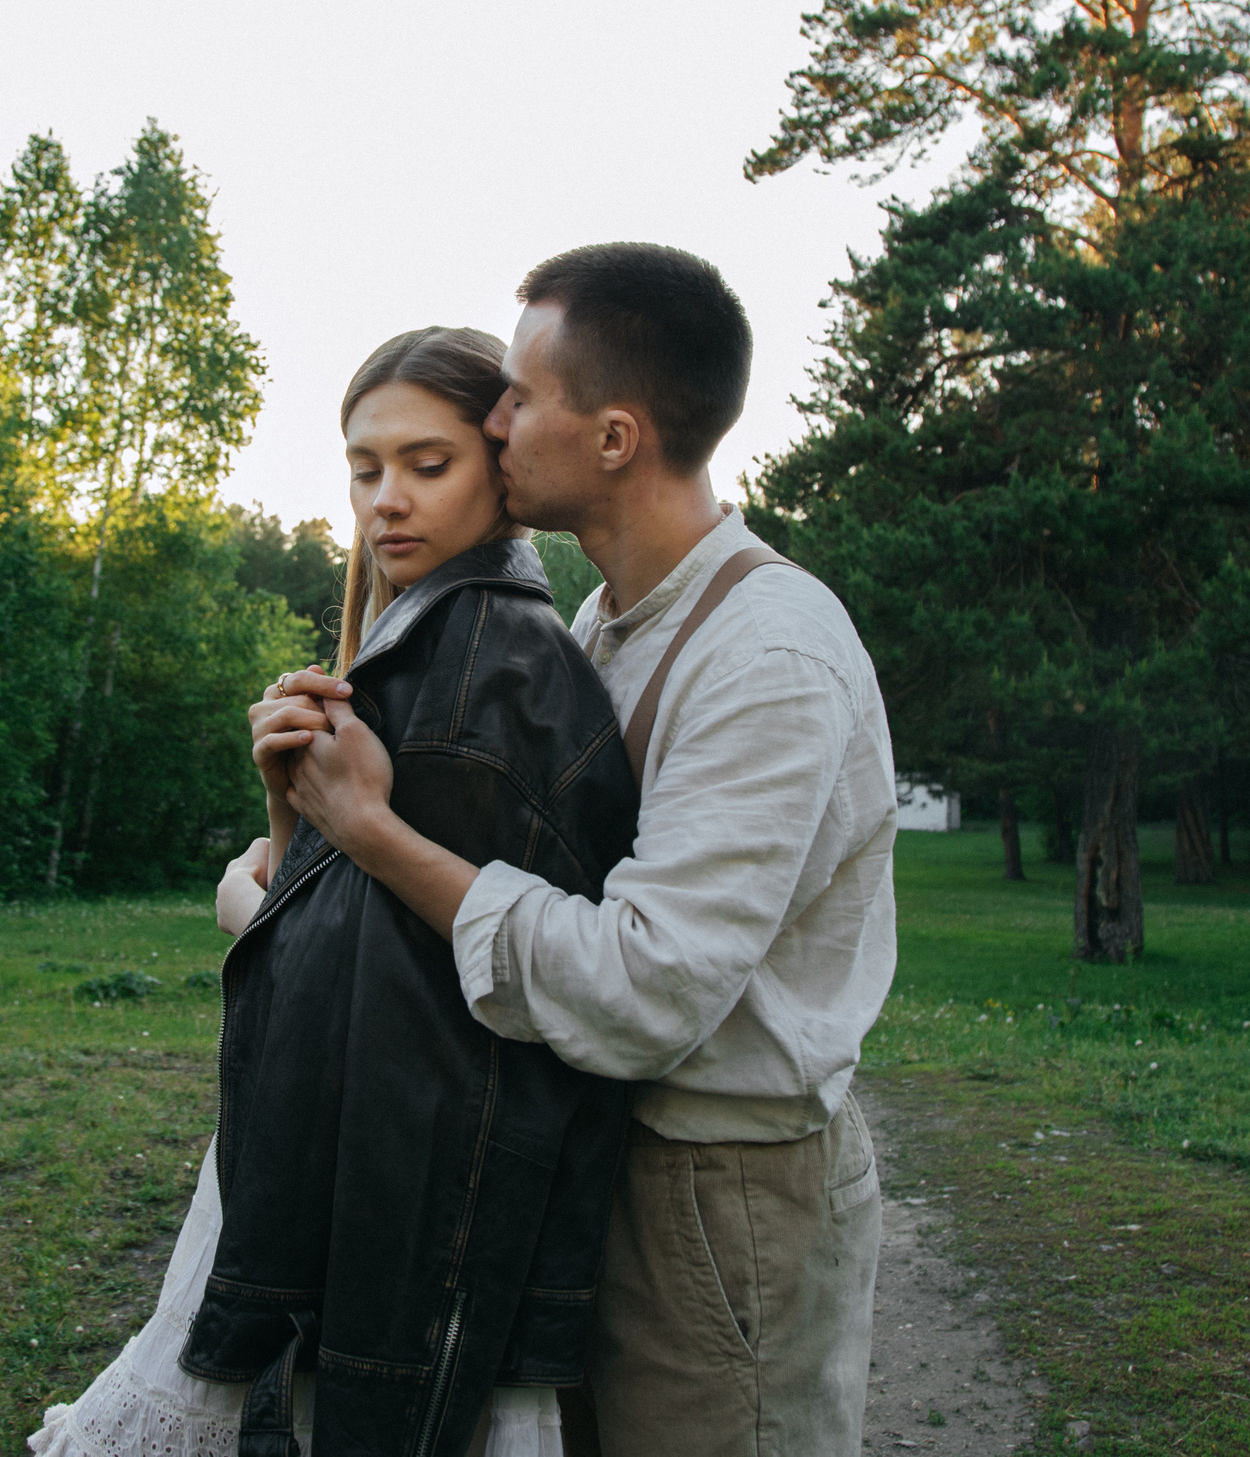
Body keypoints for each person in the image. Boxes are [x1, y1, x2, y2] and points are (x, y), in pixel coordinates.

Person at [277, 243, 899, 1457]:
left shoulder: (766, 656)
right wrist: (300, 821)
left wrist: (372, 831)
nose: (494, 418)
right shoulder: (600, 625)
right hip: (590, 1161)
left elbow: (642, 987)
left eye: (517, 394)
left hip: (723, 1196)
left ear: (613, 438)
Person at [31, 326, 641, 1457]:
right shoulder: (420, 651)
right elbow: (360, 920)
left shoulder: (479, 680)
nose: (387, 501)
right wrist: (285, 813)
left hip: (394, 1211)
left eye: (427, 463)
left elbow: (421, 1009)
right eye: (365, 469)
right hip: (349, 1177)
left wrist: (251, 894)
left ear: (500, 466)